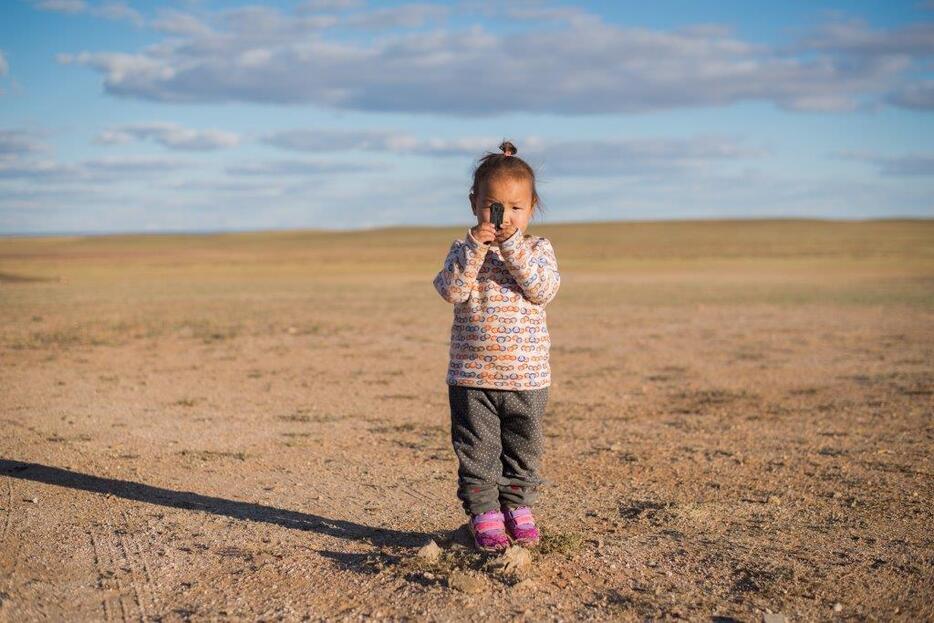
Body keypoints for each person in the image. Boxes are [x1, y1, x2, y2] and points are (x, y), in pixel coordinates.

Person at [433, 140, 560, 552]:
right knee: (477, 449)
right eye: (494, 207)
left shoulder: (538, 249)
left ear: (532, 207)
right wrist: (476, 246)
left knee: (524, 447)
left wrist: (511, 247)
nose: (504, 217)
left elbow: (541, 290)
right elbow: (451, 291)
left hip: (527, 376)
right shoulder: (463, 250)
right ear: (475, 204)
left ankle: (518, 509)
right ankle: (484, 514)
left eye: (516, 208)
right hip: (472, 376)